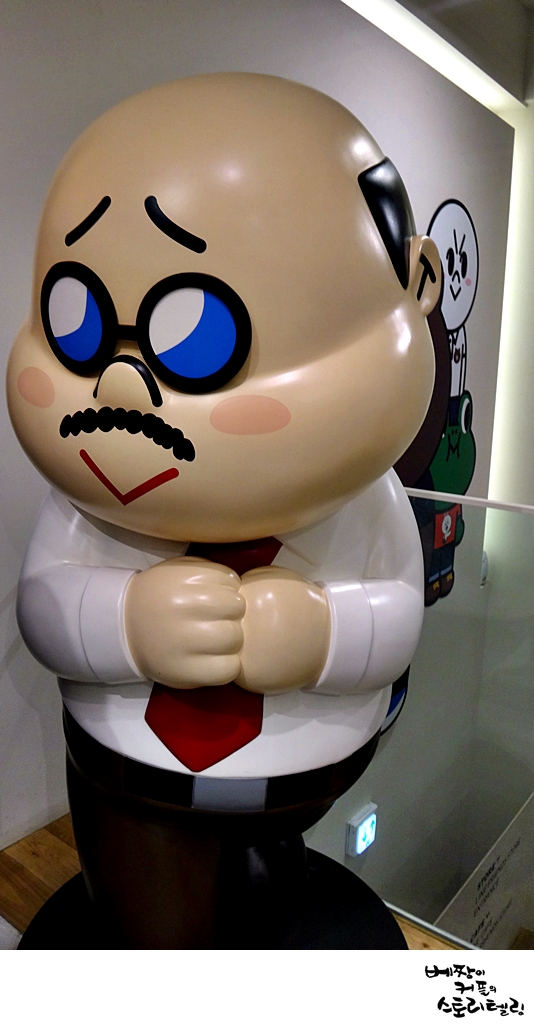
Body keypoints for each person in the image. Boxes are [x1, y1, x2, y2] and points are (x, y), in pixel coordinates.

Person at [7, 73, 441, 946]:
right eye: (76, 324)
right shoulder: (86, 511)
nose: (120, 390)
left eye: (197, 336)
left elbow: (397, 614)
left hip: (309, 772)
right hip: (133, 781)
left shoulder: (364, 504)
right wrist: (125, 622)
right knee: (153, 931)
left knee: (269, 903)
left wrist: (325, 634)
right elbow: (45, 608)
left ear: (418, 281)